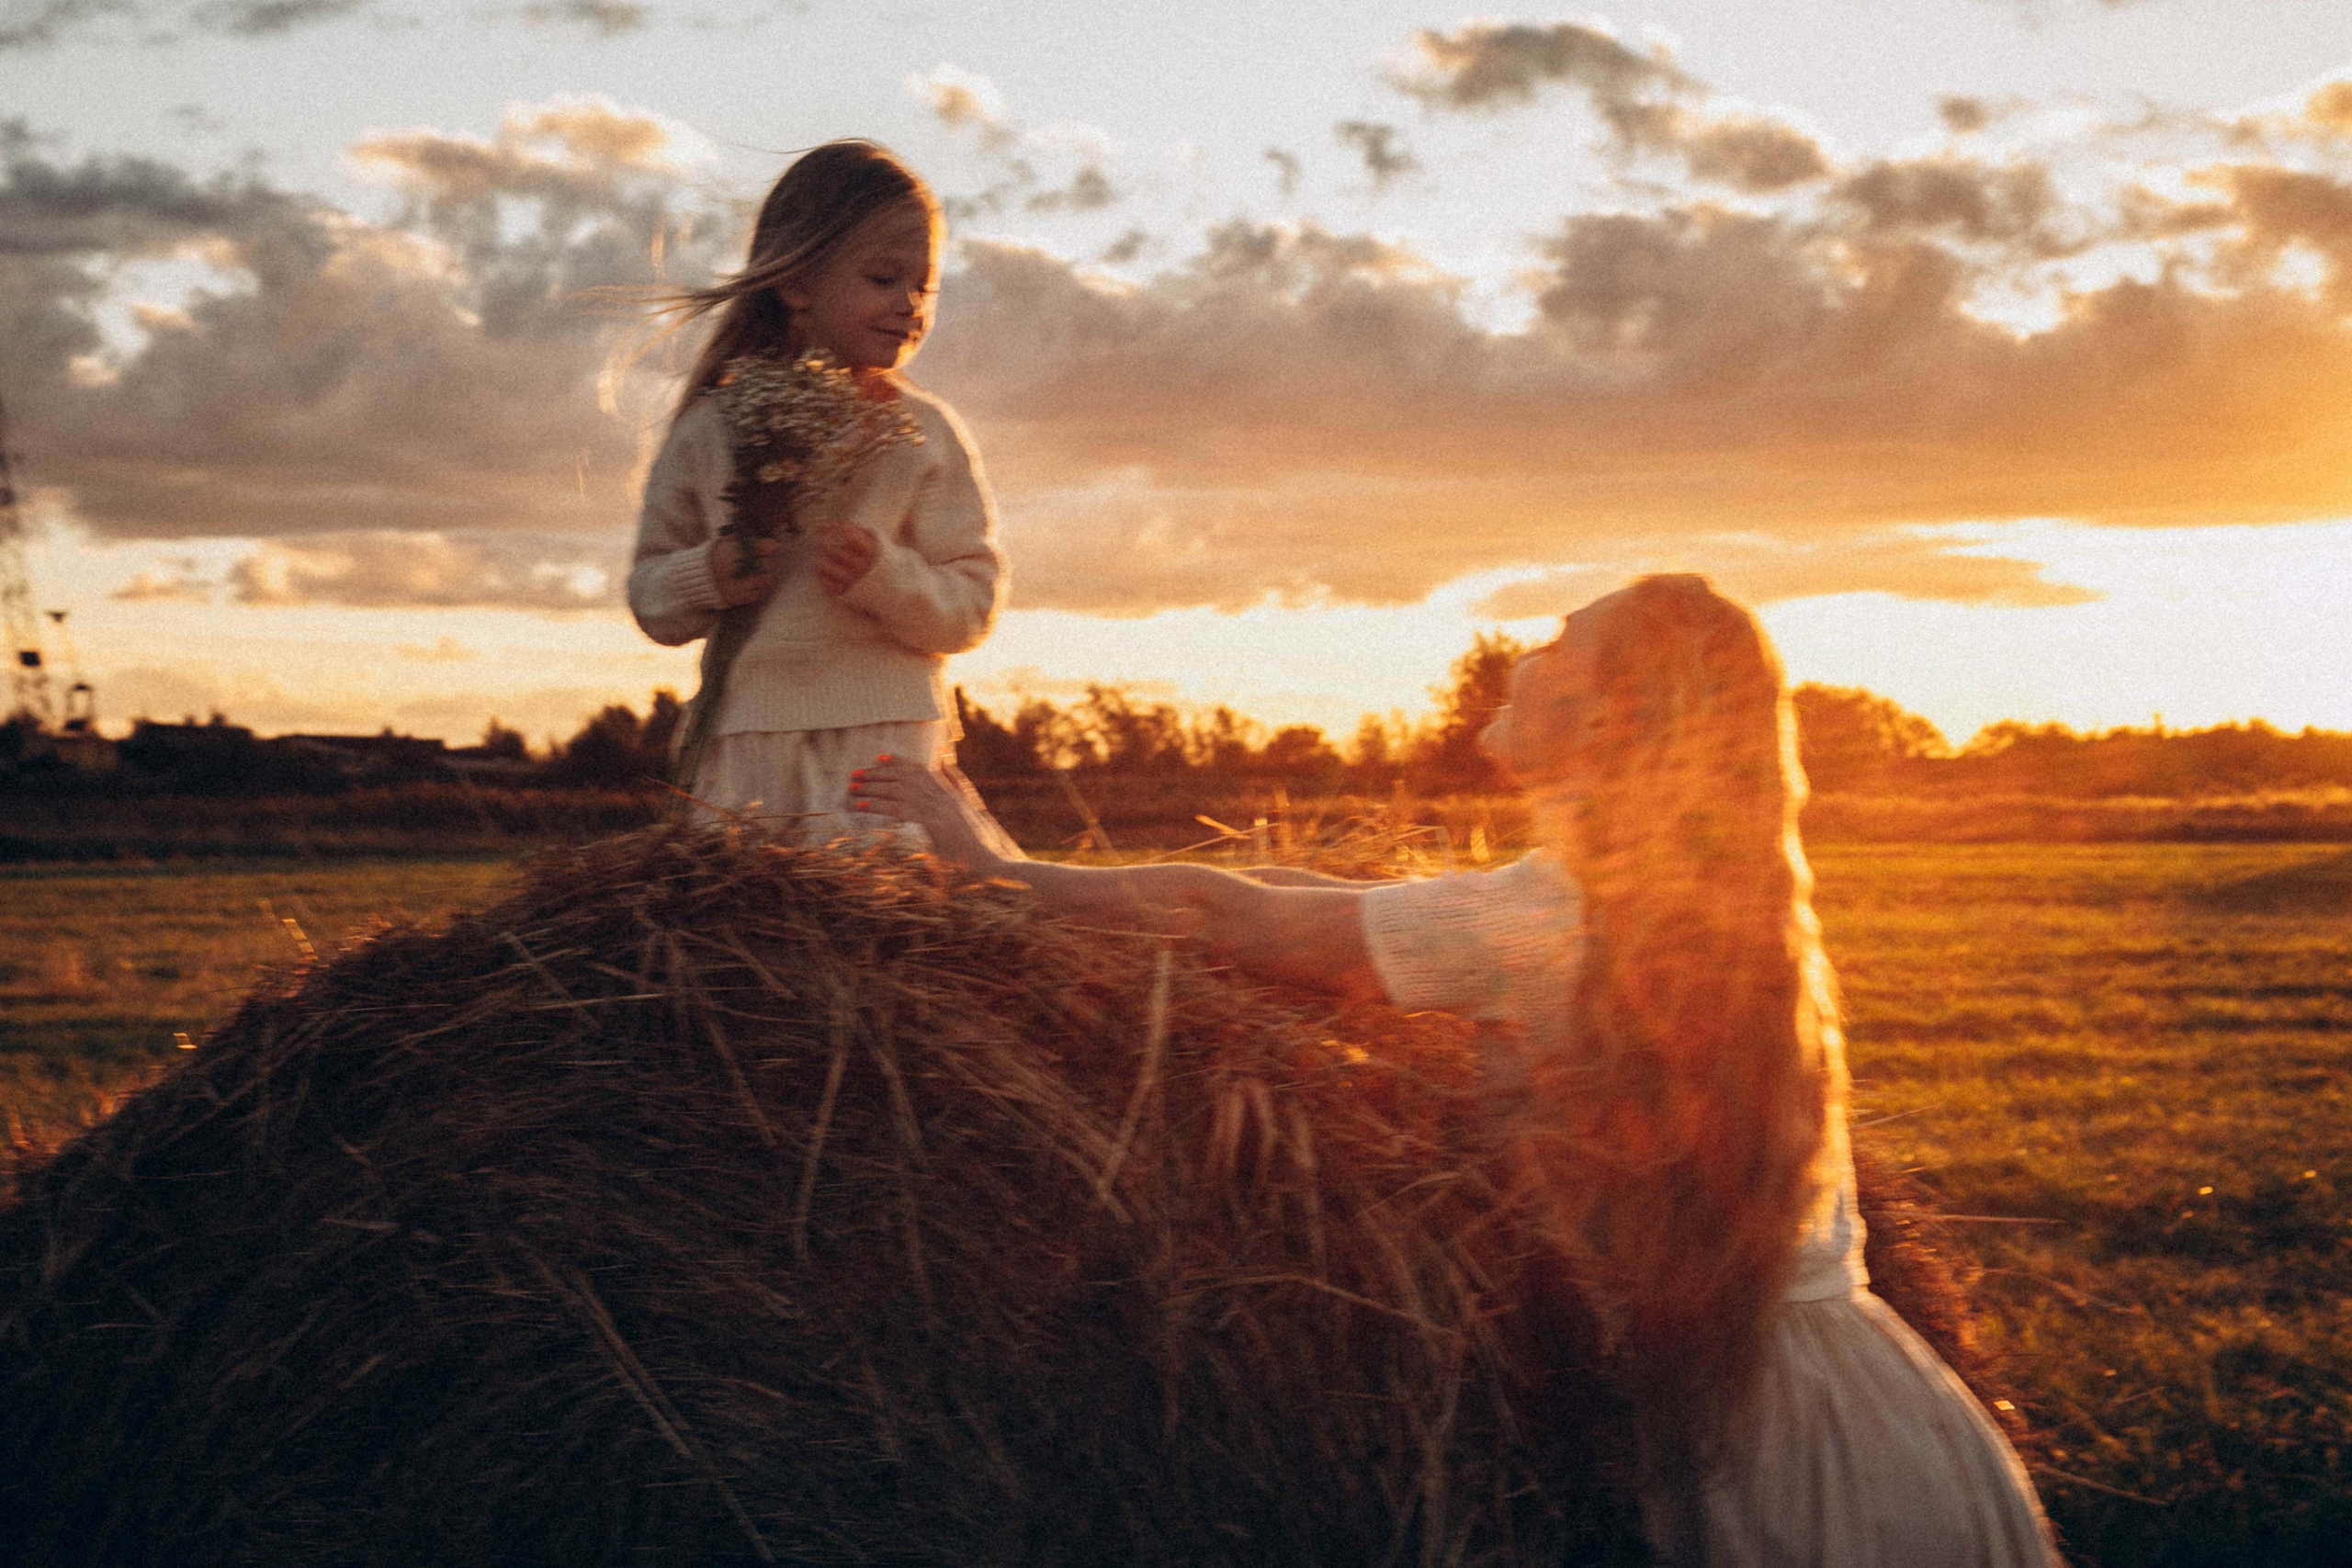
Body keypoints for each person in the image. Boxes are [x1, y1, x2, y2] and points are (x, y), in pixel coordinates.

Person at [851, 574, 2062, 1568]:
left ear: (1603, 719)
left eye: (1554, 643)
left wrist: (981, 870)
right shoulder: (1658, 901)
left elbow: (1221, 919)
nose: (1521, 656)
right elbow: (1310, 905)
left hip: (1782, 1465)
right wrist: (1040, 866)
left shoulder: (1547, 915)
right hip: (1866, 1405)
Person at [628, 141, 1006, 839]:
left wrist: (885, 577)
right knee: (741, 933)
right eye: (884, 278)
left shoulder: (923, 434)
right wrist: (705, 574)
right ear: (797, 284)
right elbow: (651, 597)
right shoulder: (716, 426)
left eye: (924, 286)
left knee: (883, 927)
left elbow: (973, 605)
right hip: (746, 745)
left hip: (883, 747)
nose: (910, 305)